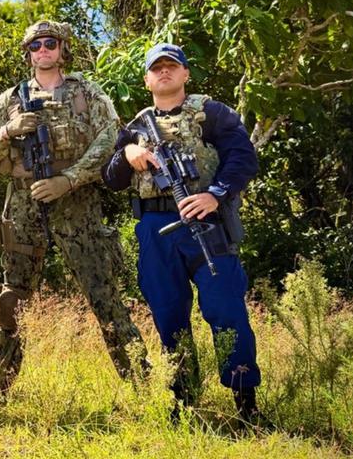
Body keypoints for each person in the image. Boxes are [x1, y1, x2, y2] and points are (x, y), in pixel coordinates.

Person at [101, 42, 265, 423]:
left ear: (185, 73)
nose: (164, 72)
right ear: (146, 79)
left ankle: (246, 404)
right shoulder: (135, 128)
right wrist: (127, 155)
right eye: (156, 68)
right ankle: (184, 402)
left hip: (207, 224)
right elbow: (111, 178)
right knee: (168, 314)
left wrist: (215, 194)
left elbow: (243, 158)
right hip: (156, 231)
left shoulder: (212, 113)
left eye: (171, 66)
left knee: (226, 310)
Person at [0, 20, 146, 394]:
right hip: (25, 200)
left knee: (102, 292)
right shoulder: (10, 99)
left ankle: (143, 383)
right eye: (35, 46)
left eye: (49, 43)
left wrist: (69, 179)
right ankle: (0, 389)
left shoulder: (87, 91)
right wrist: (9, 130)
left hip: (77, 201)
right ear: (28, 53)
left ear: (62, 48)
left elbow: (110, 140)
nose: (43, 50)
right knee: (14, 296)